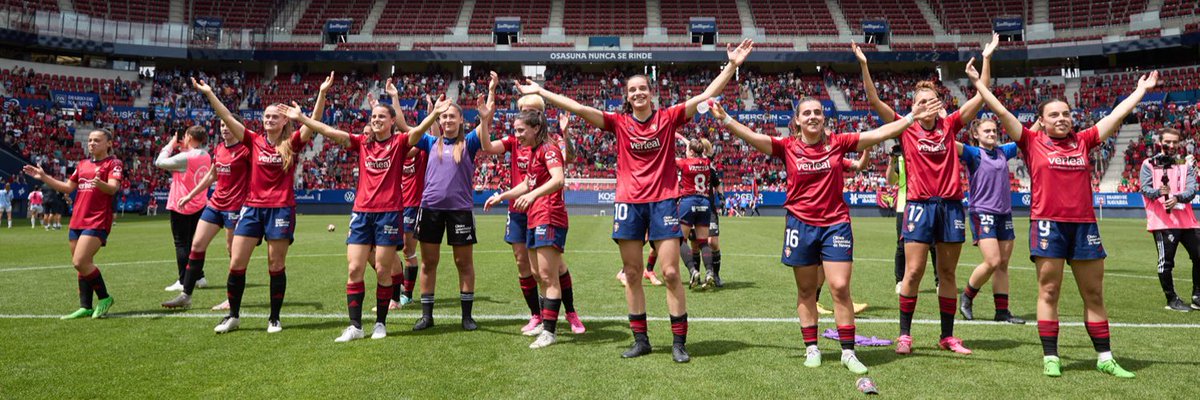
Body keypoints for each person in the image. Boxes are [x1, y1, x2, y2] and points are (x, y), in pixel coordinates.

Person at [517, 39, 754, 363]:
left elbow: (705, 97)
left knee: (671, 272)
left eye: (644, 88)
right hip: (629, 203)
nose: (639, 93)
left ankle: (678, 343)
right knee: (631, 272)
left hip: (663, 202)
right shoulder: (620, 123)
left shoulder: (668, 119)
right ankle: (640, 340)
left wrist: (732, 65)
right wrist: (542, 93)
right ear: (627, 96)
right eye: (633, 89)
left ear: (650, 92)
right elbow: (578, 109)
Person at [713, 95, 940, 375]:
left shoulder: (839, 143)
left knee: (840, 286)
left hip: (835, 223)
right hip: (800, 224)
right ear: (796, 120)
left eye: (817, 112)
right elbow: (751, 136)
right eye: (806, 113)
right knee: (807, 290)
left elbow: (878, 133)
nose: (812, 116)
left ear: (824, 118)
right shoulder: (787, 147)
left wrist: (909, 118)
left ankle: (848, 352)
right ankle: (812, 347)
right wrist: (725, 118)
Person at [967, 58, 1156, 378]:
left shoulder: (1084, 141)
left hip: (1084, 227)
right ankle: (1051, 357)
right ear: (1040, 120)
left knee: (1094, 293)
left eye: (1066, 113)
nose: (1062, 118)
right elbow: (1001, 112)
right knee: (1049, 291)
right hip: (1047, 225)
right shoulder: (1030, 141)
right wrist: (978, 83)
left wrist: (1140, 91)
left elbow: (1117, 115)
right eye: (1054, 114)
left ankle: (1105, 357)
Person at [856, 35, 994, 356]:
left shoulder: (950, 125)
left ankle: (947, 336)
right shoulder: (904, 127)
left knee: (946, 274)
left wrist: (986, 59)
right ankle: (905, 335)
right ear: (913, 105)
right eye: (921, 101)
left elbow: (982, 96)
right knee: (913, 272)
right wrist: (864, 65)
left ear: (940, 104)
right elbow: (874, 100)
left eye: (932, 101)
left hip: (951, 207)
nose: (927, 106)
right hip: (918, 206)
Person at [285, 95, 435, 342]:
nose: (376, 120)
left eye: (381, 117)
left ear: (392, 121)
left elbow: (418, 132)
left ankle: (380, 323)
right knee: (354, 267)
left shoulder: (399, 142)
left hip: (388, 213)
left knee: (382, 270)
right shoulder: (362, 143)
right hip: (362, 213)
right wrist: (303, 119)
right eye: (373, 116)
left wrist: (435, 114)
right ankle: (355, 326)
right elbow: (331, 132)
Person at [200, 72, 332, 334]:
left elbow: (314, 122)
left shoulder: (292, 143)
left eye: (275, 116)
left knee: (275, 264)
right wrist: (209, 94)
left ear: (285, 121)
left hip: (281, 209)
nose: (269, 119)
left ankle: (274, 318)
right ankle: (233, 316)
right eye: (267, 116)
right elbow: (226, 116)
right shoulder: (253, 140)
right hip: (252, 208)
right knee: (236, 262)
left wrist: (322, 93)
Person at [407, 78, 501, 332]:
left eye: (452, 117)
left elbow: (485, 137)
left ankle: (466, 317)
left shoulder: (468, 142)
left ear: (461, 120)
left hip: (459, 211)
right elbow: (410, 135)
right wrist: (430, 116)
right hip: (429, 210)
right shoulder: (429, 141)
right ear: (439, 120)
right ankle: (427, 316)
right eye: (444, 117)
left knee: (464, 263)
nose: (447, 121)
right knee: (429, 262)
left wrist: (484, 117)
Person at [491, 93, 584, 334]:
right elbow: (528, 183)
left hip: (547, 213)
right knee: (536, 272)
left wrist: (532, 196)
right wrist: (503, 196)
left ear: (536, 124)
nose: (517, 134)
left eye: (521, 129)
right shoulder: (532, 150)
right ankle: (543, 320)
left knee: (549, 273)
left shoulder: (548, 148)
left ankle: (556, 325)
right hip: (530, 214)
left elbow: (559, 178)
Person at [22, 129, 122, 319]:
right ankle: (86, 306)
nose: (91, 143)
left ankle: (105, 298)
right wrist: (44, 177)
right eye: (90, 140)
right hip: (77, 219)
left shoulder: (113, 163)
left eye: (97, 140)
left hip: (97, 219)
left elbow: (112, 188)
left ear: (109, 143)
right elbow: (67, 187)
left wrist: (99, 183)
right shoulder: (83, 164)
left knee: (80, 261)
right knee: (82, 265)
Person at [161, 115, 251, 310]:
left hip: (235, 207)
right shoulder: (219, 149)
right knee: (197, 244)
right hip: (215, 204)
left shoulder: (246, 150)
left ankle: (231, 298)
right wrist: (191, 195)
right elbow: (212, 175)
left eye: (228, 125)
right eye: (222, 125)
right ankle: (186, 295)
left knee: (233, 253)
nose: (225, 128)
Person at [957, 119, 1025, 324]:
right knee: (993, 261)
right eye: (986, 131)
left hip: (1004, 214)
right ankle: (967, 297)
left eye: (994, 130)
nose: (992, 134)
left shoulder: (1004, 151)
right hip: (982, 213)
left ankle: (1002, 311)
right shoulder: (972, 153)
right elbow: (950, 143)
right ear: (976, 134)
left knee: (1003, 264)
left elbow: (1026, 137)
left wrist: (1040, 122)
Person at [1138, 127, 1200, 312]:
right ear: (1160, 142)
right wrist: (1159, 193)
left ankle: (1197, 296)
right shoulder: (1148, 164)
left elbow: (1191, 190)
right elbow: (1145, 189)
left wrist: (1177, 198)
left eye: (1175, 142)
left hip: (1188, 221)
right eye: (1168, 142)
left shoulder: (1185, 164)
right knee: (1166, 262)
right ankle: (1172, 299)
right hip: (1162, 222)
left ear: (1179, 143)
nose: (1171, 145)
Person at [156, 126, 213, 293]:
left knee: (181, 244)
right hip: (199, 204)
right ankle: (199, 276)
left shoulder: (184, 157)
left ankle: (183, 280)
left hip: (181, 204)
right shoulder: (205, 155)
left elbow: (159, 162)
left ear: (188, 136)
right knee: (195, 243)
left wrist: (171, 144)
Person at [676, 138, 716, 289]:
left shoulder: (684, 163)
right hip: (705, 203)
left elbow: (669, 158)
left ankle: (693, 271)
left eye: (687, 150)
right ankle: (710, 272)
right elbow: (709, 150)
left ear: (691, 152)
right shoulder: (706, 162)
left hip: (688, 201)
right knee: (703, 242)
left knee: (681, 240)